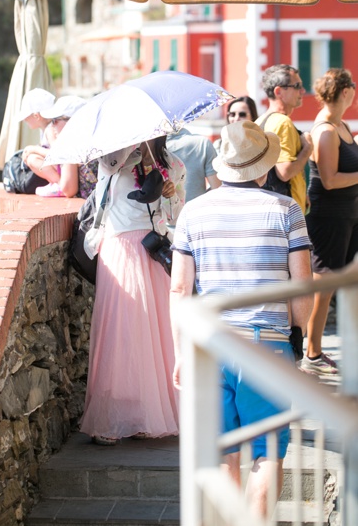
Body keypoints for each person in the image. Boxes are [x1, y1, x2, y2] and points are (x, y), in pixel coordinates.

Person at [170, 120, 313, 519]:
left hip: (210, 345)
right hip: (265, 344)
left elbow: (179, 291)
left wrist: (181, 352)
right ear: (263, 169)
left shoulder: (192, 212)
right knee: (267, 452)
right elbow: (302, 285)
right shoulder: (287, 210)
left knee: (222, 451)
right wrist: (296, 338)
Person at [79, 135, 185, 445]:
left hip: (154, 248)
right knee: (122, 330)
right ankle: (113, 418)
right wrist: (138, 156)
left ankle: (147, 415)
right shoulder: (114, 157)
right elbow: (106, 183)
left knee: (156, 334)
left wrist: (171, 191)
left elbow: (176, 213)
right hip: (120, 245)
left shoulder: (174, 164)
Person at [301, 68, 358, 375]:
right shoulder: (325, 130)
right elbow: (330, 179)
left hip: (348, 216)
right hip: (328, 219)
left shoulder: (343, 126)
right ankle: (312, 354)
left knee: (338, 286)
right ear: (345, 92)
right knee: (323, 289)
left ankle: (317, 350)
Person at [256, 65, 313, 213]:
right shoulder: (282, 122)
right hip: (286, 212)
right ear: (279, 91)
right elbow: (285, 172)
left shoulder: (260, 121)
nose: (303, 91)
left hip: (268, 207)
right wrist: (307, 149)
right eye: (297, 86)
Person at [29, 95, 99, 199]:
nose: (52, 126)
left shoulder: (71, 143)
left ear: (72, 121)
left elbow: (68, 190)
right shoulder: (91, 138)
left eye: (55, 120)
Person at [2, 88, 55, 194]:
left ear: (36, 116)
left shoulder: (51, 130)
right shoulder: (45, 129)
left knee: (32, 159)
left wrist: (34, 149)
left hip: (62, 169)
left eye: (26, 117)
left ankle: (58, 183)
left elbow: (57, 155)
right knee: (31, 157)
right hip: (58, 167)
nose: (24, 120)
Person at [167, 127, 220, 202]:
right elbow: (217, 189)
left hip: (159, 212)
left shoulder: (148, 148)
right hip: (197, 211)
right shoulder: (202, 143)